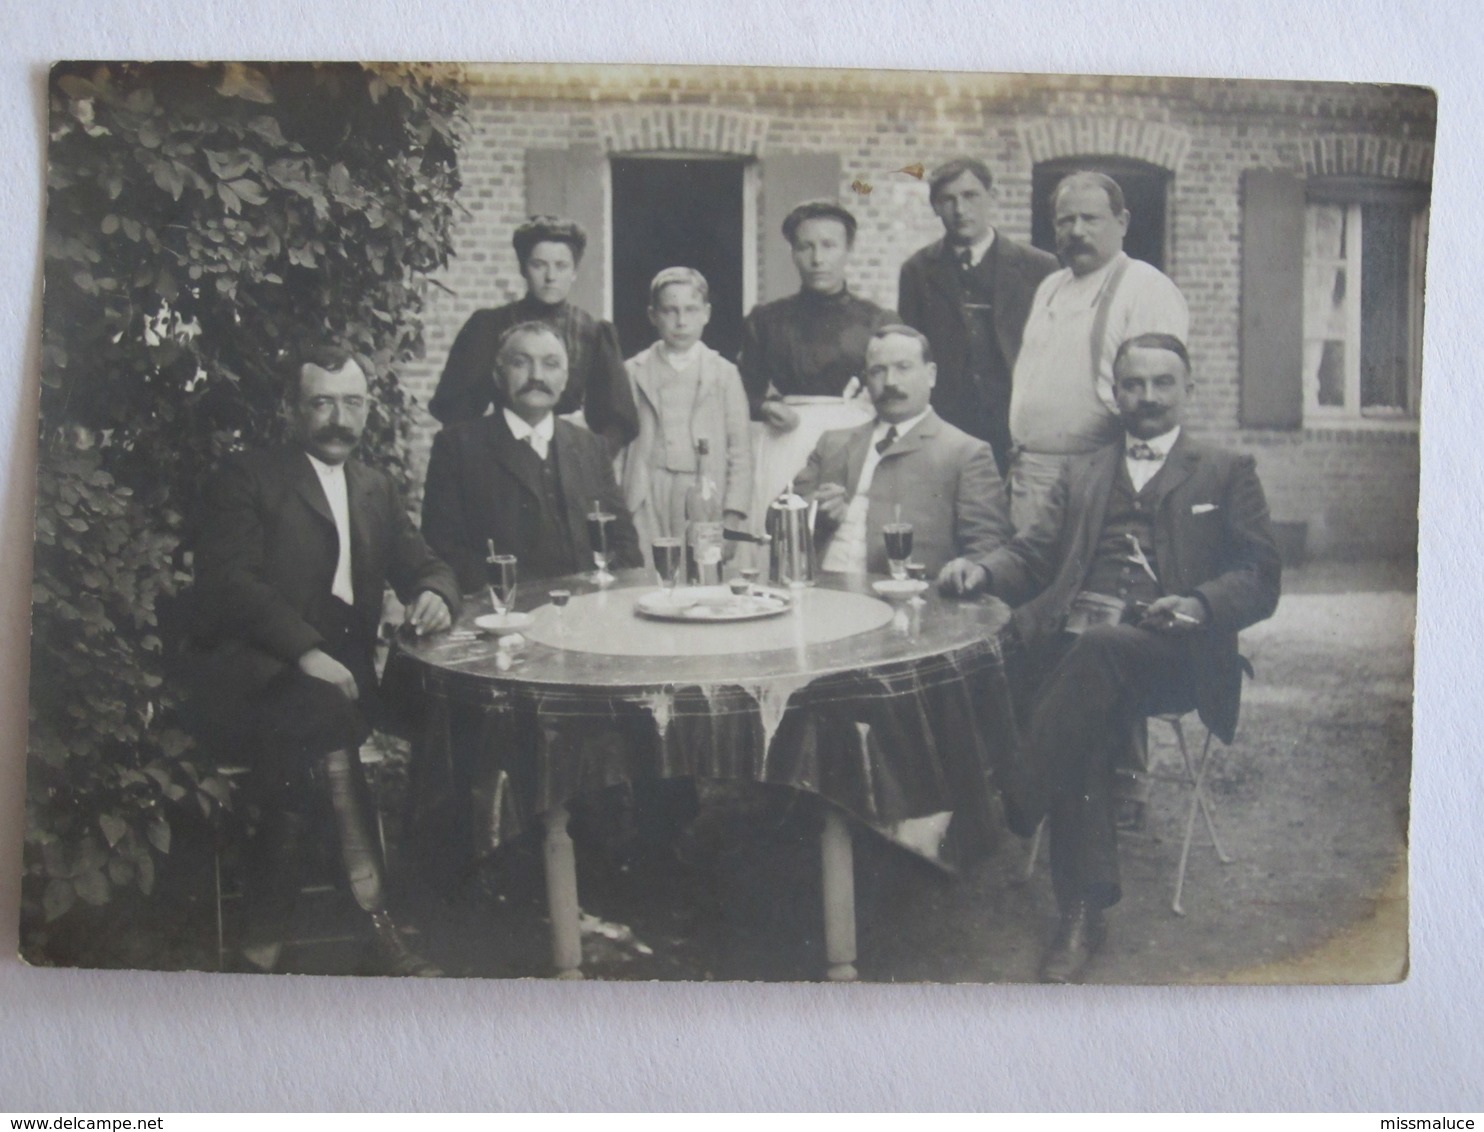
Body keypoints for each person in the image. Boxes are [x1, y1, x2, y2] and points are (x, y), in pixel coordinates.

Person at [961, 334, 1281, 983]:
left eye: (1163, 383)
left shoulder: (1225, 469)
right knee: (1071, 694)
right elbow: (1031, 556)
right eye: (1134, 384)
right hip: (1083, 657)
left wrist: (1196, 602)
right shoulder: (1085, 470)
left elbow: (1259, 575)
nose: (1148, 397)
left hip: (1176, 655)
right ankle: (1082, 912)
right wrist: (980, 569)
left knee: (1093, 658)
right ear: (1116, 392)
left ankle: (1014, 796)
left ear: (1187, 389)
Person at [189, 346, 461, 976]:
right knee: (325, 723)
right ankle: (376, 922)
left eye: (353, 402)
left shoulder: (374, 487)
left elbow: (429, 564)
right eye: (322, 403)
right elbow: (229, 583)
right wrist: (305, 651)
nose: (340, 418)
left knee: (451, 708)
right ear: (292, 410)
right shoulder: (248, 478)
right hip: (255, 676)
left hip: (347, 682)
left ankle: (265, 940)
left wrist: (434, 595)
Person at [1006, 172, 1190, 532]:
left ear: (1122, 223)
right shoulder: (1050, 287)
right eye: (1066, 220)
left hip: (1098, 483)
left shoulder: (1146, 288)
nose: (1076, 231)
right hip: (1031, 479)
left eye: (1090, 219)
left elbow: (1156, 405)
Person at [422, 321, 642, 593]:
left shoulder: (590, 447)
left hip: (586, 613)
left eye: (550, 364)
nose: (536, 375)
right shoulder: (457, 447)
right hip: (505, 614)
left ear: (564, 379)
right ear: (498, 375)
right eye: (521, 363)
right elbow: (444, 550)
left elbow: (625, 545)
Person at [792, 325, 1017, 581]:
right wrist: (814, 509)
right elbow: (777, 516)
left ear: (931, 375)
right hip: (824, 596)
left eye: (903, 367)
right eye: (878, 371)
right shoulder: (833, 442)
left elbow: (989, 548)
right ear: (866, 379)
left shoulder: (966, 452)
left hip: (907, 601)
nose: (890, 382)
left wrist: (967, 571)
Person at [738, 200, 897, 528]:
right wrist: (766, 407)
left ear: (848, 249)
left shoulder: (876, 321)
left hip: (854, 441)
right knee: (785, 536)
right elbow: (741, 394)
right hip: (786, 440)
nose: (817, 259)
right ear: (793, 253)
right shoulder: (767, 321)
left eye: (829, 245)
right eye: (805, 247)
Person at [897, 158, 1059, 475]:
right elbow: (913, 355)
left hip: (1018, 428)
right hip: (947, 427)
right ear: (934, 207)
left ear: (992, 197)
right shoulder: (917, 271)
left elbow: (1054, 354)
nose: (960, 210)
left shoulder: (1039, 267)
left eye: (971, 196)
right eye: (948, 200)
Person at [427, 216, 639, 450]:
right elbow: (457, 413)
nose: (550, 277)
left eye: (561, 266)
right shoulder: (489, 325)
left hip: (566, 455)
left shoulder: (593, 332)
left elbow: (616, 421)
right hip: (502, 453)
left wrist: (587, 462)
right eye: (538, 265)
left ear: (574, 272)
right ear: (523, 268)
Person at [619, 267, 752, 564]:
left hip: (704, 491)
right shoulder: (633, 371)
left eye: (691, 310)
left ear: (706, 313)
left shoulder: (723, 373)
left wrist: (732, 518)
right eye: (670, 311)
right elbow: (620, 448)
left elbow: (740, 451)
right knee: (648, 572)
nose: (681, 321)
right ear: (653, 315)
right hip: (648, 489)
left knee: (702, 574)